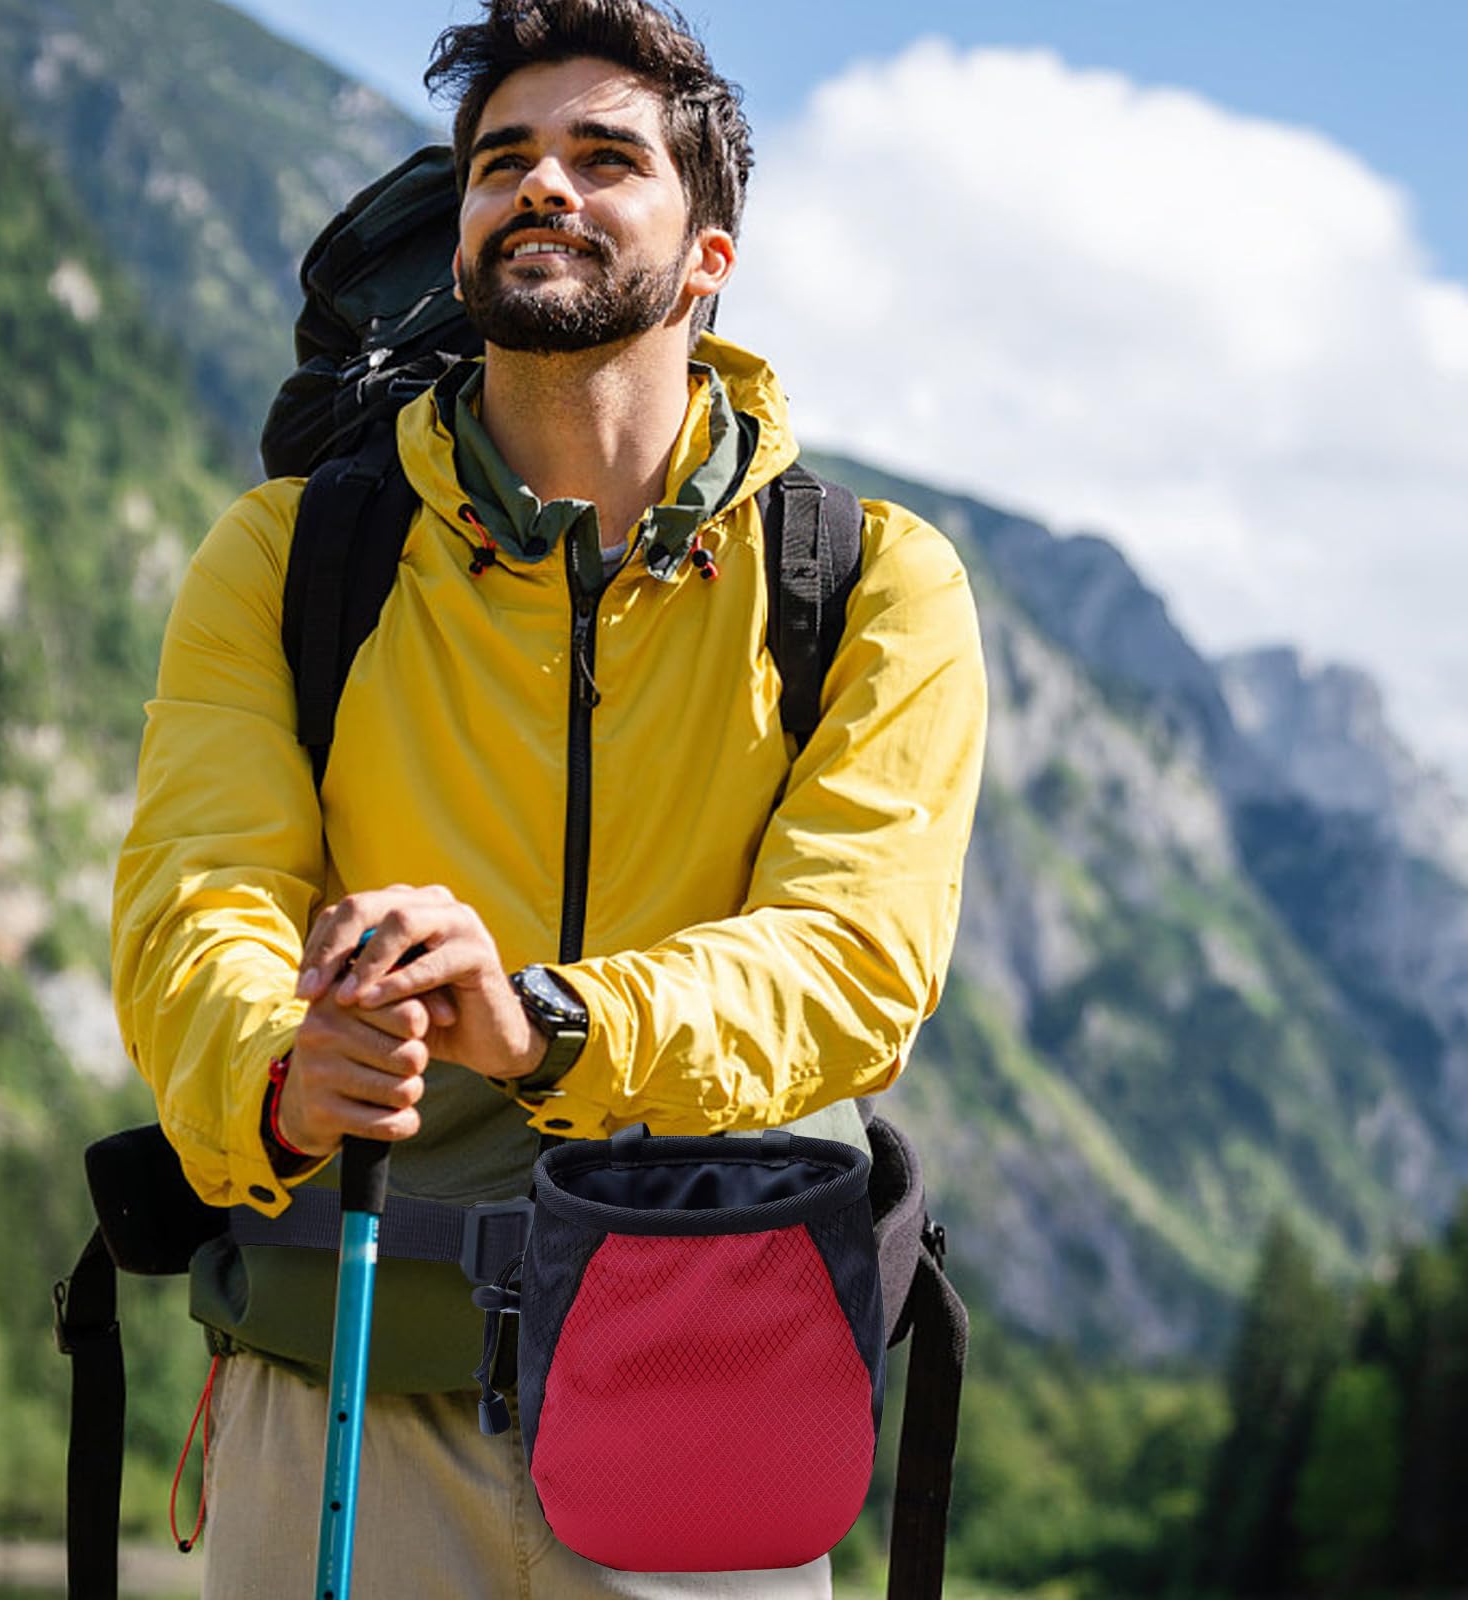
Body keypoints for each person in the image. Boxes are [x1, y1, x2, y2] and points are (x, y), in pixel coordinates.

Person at [111, 0, 987, 1594]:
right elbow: (198, 898)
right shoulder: (291, 554)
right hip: (344, 1391)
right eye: (503, 159)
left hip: (706, 1400)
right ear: (460, 241)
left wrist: (554, 1025)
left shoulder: (869, 586)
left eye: (604, 157)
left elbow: (855, 959)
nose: (543, 187)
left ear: (708, 257)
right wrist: (279, 1069)